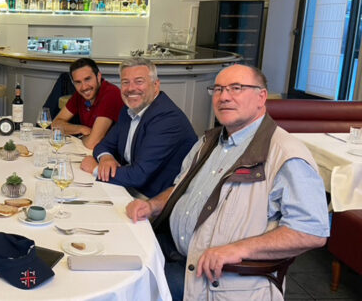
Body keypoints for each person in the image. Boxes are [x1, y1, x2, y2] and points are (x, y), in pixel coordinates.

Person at [126, 64, 330, 300]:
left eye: (236, 88)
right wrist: (152, 205)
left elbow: (311, 231)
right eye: (219, 89)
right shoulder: (209, 142)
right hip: (174, 255)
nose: (224, 97)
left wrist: (237, 249)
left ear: (261, 96)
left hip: (219, 282)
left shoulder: (285, 154)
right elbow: (183, 189)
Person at [81, 58, 197, 198]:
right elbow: (104, 145)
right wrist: (106, 158)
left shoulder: (167, 119)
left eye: (139, 81)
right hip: (128, 188)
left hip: (155, 201)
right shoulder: (128, 110)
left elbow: (138, 176)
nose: (131, 88)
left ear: (155, 85)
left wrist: (95, 169)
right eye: (125, 82)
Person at [52, 58, 123, 150]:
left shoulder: (111, 94)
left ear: (98, 76)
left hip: (113, 156)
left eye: (88, 79)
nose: (84, 87)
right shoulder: (79, 95)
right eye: (78, 82)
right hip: (92, 152)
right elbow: (55, 125)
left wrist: (81, 137)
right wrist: (80, 129)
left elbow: (92, 143)